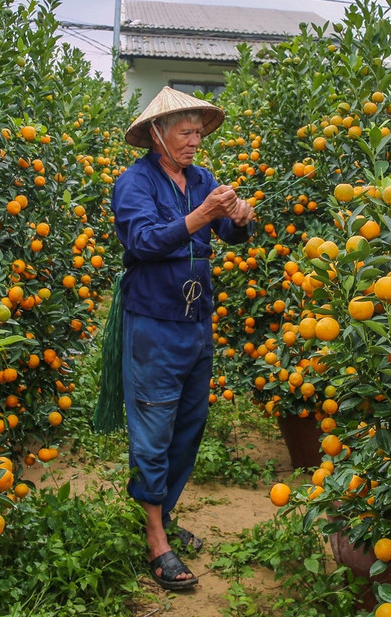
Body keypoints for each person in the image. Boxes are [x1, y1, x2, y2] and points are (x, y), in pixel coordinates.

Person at [111, 87, 256, 591]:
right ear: (157, 135)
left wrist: (241, 218)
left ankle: (161, 515)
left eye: (199, 132)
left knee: (188, 425)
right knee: (153, 427)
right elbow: (143, 241)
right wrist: (200, 216)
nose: (195, 141)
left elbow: (229, 235)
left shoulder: (202, 179)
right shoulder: (134, 182)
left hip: (196, 320)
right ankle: (155, 539)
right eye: (185, 132)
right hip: (153, 321)